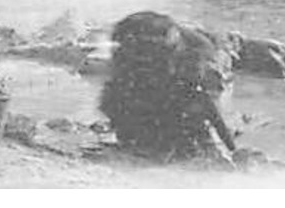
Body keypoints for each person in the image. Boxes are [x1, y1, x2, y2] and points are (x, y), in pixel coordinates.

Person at [99, 10, 237, 162]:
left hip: (183, 87)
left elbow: (207, 104)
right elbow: (112, 97)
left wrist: (231, 148)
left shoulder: (194, 57)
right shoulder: (128, 54)